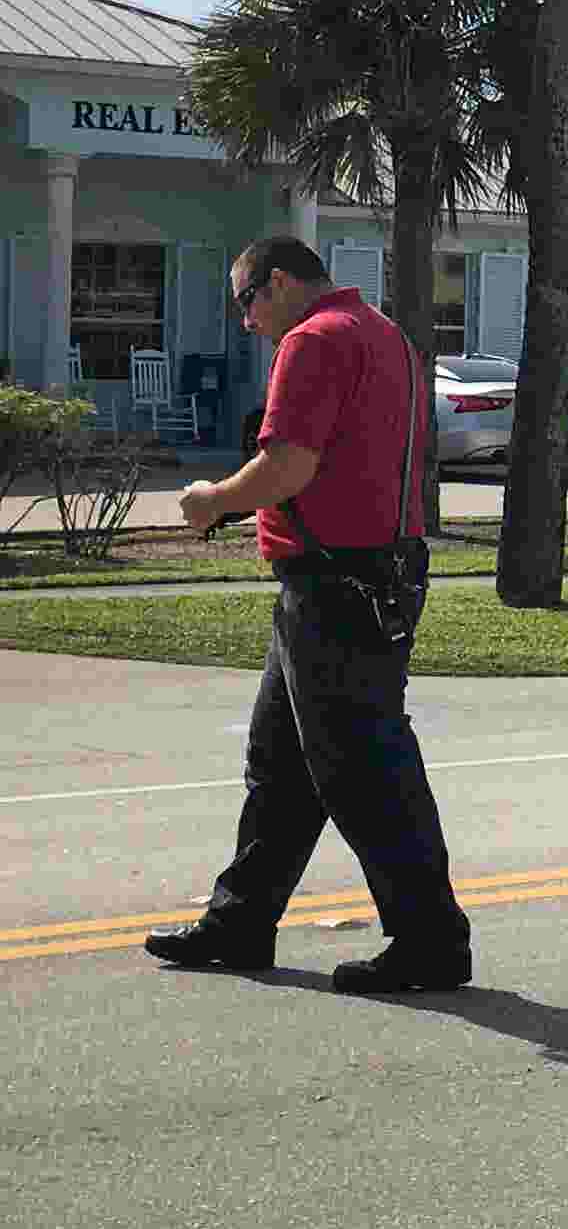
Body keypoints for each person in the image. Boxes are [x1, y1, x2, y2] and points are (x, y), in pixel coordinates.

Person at [144, 236, 473, 993]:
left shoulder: (315, 339)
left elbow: (289, 464)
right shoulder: (384, 334)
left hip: (336, 585)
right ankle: (241, 920)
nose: (247, 320)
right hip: (365, 574)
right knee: (282, 766)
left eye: (247, 300)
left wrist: (212, 501)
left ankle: (431, 939)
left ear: (281, 281)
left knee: (365, 771)